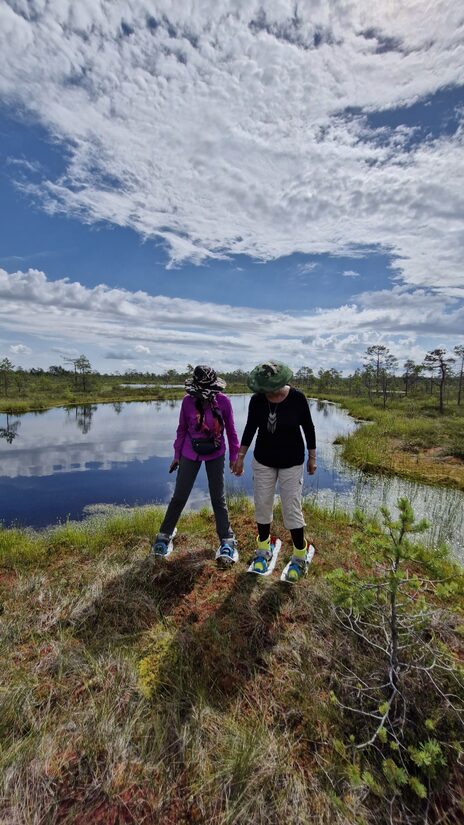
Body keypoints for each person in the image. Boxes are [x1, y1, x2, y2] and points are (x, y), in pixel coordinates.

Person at [233, 361, 316, 582]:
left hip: (292, 462)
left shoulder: (298, 398)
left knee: (291, 508)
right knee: (262, 504)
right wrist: (240, 457)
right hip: (263, 460)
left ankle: (300, 553)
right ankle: (264, 547)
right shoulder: (257, 400)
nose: (266, 391)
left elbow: (308, 428)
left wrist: (312, 458)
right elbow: (250, 428)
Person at [152, 365, 240, 562]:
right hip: (190, 453)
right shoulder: (187, 402)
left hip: (216, 452)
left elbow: (232, 431)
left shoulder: (223, 402)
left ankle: (226, 539)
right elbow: (182, 429)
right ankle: (165, 535)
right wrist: (177, 455)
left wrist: (235, 456)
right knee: (179, 496)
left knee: (218, 497)